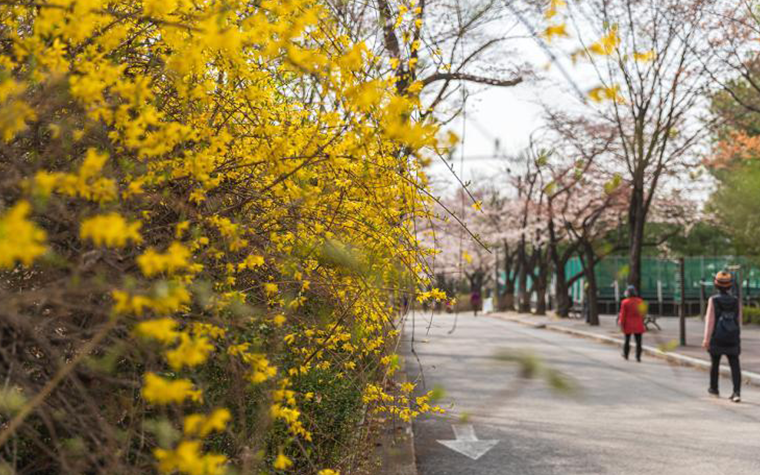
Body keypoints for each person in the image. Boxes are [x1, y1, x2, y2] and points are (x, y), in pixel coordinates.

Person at [702, 271, 742, 403]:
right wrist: (736, 335)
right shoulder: (736, 301)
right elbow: (738, 320)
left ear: (716, 285)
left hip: (717, 337)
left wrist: (706, 339)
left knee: (715, 364)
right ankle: (736, 392)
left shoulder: (713, 300)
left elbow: (710, 321)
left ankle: (714, 389)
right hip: (732, 336)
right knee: (735, 364)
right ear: (730, 286)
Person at [618, 285, 646, 362]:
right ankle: (638, 357)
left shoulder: (625, 302)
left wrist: (621, 323)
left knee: (627, 340)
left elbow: (622, 314)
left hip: (628, 324)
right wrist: (642, 321)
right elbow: (643, 313)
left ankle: (626, 354)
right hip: (638, 323)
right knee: (639, 342)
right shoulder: (640, 301)